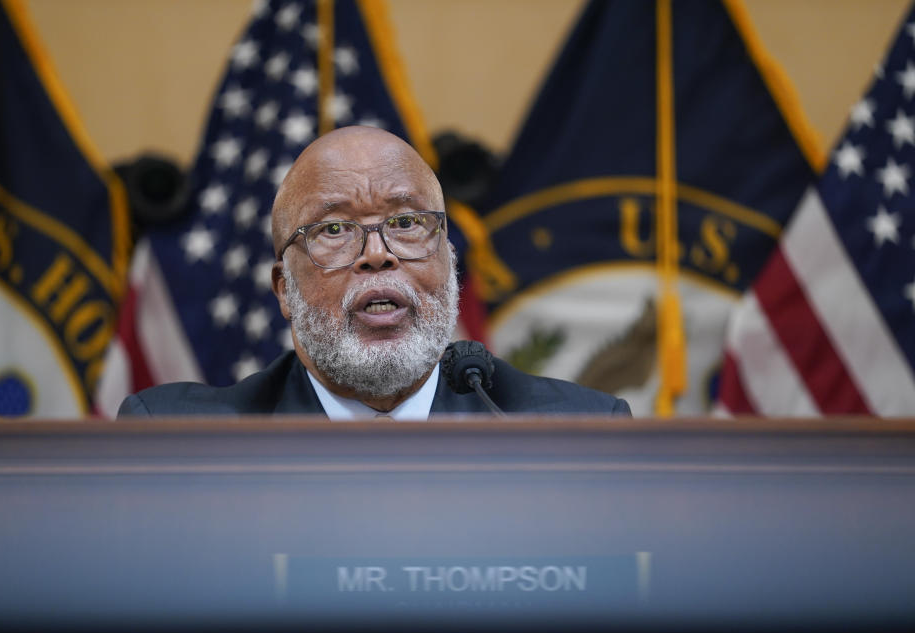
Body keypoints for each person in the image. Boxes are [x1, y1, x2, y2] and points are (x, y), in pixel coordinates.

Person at [118, 127, 630, 419]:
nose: (378, 254)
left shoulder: (573, 434)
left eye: (407, 222)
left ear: (449, 262)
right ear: (284, 290)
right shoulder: (179, 440)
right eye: (335, 229)